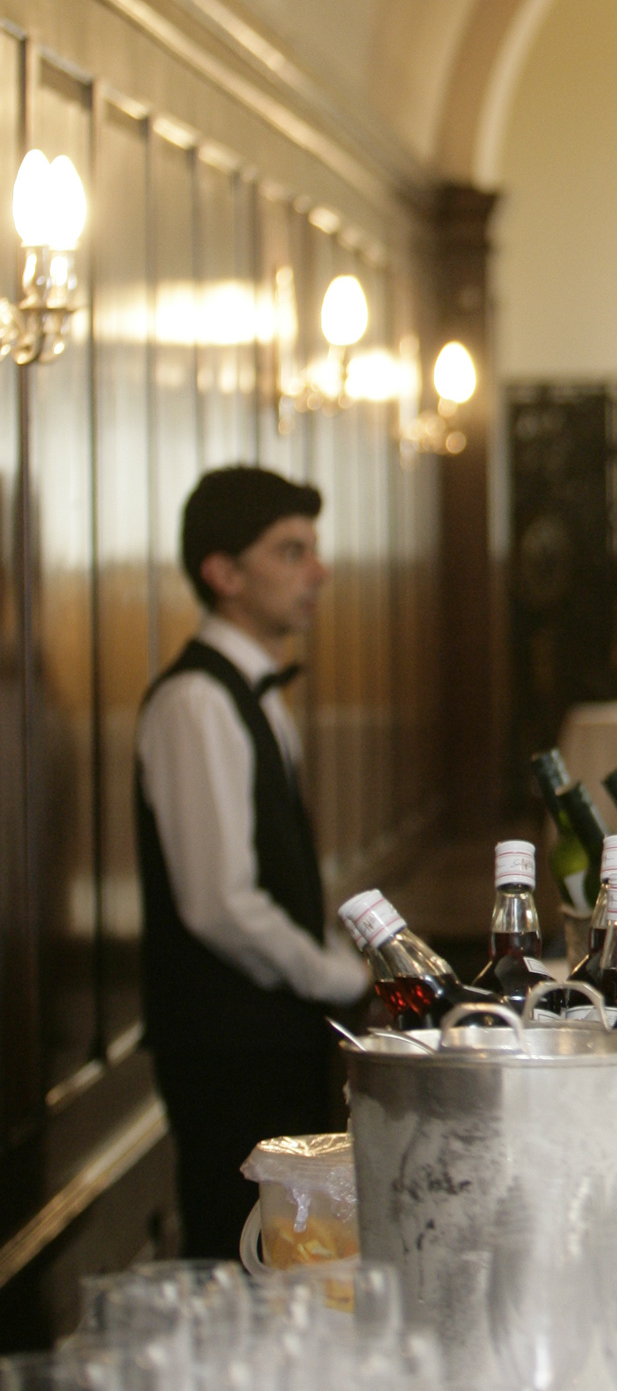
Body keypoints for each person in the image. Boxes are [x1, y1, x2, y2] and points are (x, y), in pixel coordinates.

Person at [137, 467, 368, 1259]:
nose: (319, 570)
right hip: (224, 1045)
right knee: (237, 1249)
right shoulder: (197, 700)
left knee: (292, 1252)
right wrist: (340, 979)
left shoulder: (254, 690)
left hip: (272, 1034)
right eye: (291, 550)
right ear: (223, 573)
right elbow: (219, 903)